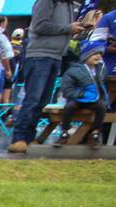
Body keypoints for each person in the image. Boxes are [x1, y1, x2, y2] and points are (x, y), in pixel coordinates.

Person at [8, 0, 90, 153]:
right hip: (40, 55)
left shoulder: (68, 4)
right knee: (33, 99)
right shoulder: (47, 1)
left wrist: (76, 27)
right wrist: (68, 28)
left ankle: (29, 138)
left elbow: (60, 28)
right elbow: (39, 26)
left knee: (42, 101)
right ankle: (18, 138)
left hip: (56, 56)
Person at [53, 41, 108, 148]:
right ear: (86, 56)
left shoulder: (101, 70)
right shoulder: (73, 70)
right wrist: (82, 94)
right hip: (77, 99)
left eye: (100, 54)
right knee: (70, 107)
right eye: (95, 53)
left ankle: (95, 133)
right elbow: (67, 90)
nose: (98, 56)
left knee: (102, 106)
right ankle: (65, 131)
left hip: (94, 99)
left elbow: (102, 85)